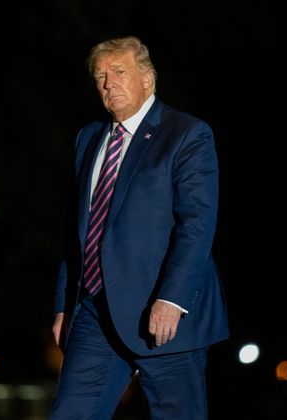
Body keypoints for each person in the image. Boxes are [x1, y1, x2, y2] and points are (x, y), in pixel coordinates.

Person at [49, 35, 229, 419]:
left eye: (118, 72)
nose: (108, 83)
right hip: (94, 312)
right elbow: (76, 230)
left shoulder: (186, 134)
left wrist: (172, 299)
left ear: (146, 79)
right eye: (100, 76)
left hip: (162, 314)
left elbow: (196, 223)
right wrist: (65, 305)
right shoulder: (88, 138)